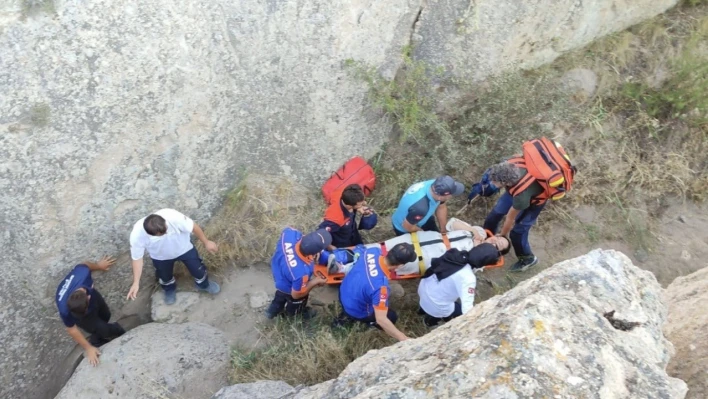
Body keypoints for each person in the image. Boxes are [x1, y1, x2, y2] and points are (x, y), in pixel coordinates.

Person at [127, 208, 220, 305]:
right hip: (160, 257)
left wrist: (206, 242)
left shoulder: (173, 216)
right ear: (149, 233)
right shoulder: (137, 235)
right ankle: (169, 290)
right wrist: (136, 282)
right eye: (160, 235)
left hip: (185, 249)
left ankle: (204, 285)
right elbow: (137, 259)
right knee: (165, 277)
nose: (165, 234)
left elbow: (193, 227)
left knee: (198, 270)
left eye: (166, 231)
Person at [417, 240, 511, 327]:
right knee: (457, 310)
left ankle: (421, 310)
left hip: (423, 288)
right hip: (435, 304)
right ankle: (430, 321)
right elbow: (467, 310)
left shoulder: (456, 253)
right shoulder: (468, 278)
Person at [335, 243, 418, 342]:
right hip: (356, 311)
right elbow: (381, 319)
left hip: (343, 291)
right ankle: (370, 323)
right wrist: (403, 338)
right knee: (391, 317)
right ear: (400, 266)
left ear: (389, 251)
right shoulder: (381, 288)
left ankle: (341, 319)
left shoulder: (372, 251)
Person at [55, 256, 124, 366]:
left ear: (88, 298)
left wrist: (99, 266)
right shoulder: (65, 309)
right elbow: (72, 329)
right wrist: (88, 348)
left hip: (93, 298)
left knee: (106, 315)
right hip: (81, 314)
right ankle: (115, 330)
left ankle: (96, 339)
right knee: (102, 328)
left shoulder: (83, 274)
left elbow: (85, 264)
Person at [483, 161, 546, 272]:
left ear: (505, 182)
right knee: (495, 213)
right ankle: (487, 239)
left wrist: (502, 235)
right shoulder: (510, 164)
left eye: (494, 182)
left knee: (518, 231)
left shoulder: (521, 197)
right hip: (516, 189)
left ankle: (528, 259)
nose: (492, 183)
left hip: (534, 201)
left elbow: (510, 218)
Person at [265, 228, 332, 319]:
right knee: (297, 300)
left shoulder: (290, 234)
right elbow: (296, 295)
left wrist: (313, 252)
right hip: (289, 286)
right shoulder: (301, 272)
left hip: (278, 270)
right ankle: (295, 313)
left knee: (280, 297)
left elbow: (292, 232)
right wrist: (315, 281)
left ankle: (271, 312)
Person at [391, 175, 465, 236]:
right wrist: (423, 233)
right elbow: (407, 226)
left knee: (435, 235)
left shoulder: (436, 185)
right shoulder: (421, 208)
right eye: (451, 194)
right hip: (405, 227)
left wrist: (443, 230)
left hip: (422, 217)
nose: (451, 196)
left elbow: (441, 207)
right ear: (440, 197)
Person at [319, 184, 378, 249]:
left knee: (360, 247)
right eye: (360, 204)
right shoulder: (334, 219)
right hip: (342, 241)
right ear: (350, 206)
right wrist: (331, 247)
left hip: (353, 232)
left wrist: (360, 208)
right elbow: (321, 234)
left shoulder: (347, 192)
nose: (365, 203)